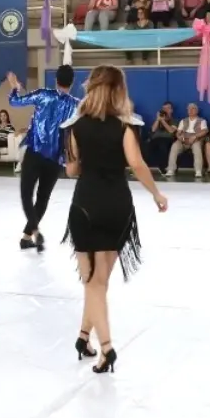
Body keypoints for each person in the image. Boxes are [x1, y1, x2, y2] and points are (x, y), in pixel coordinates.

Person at [62, 65, 168, 374]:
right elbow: (137, 164)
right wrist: (157, 195)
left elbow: (71, 170)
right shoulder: (126, 126)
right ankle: (83, 337)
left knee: (91, 283)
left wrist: (84, 162)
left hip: (85, 206)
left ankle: (106, 348)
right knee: (99, 283)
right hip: (118, 206)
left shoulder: (75, 126)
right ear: (119, 90)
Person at [7, 65, 80, 252]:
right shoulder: (76, 105)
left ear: (56, 79)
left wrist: (14, 86)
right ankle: (27, 236)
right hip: (55, 158)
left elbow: (15, 102)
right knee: (42, 198)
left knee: (26, 193)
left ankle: (34, 231)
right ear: (72, 82)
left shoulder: (42, 94)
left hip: (35, 152)